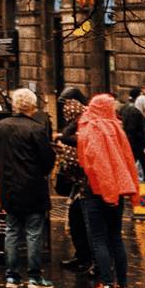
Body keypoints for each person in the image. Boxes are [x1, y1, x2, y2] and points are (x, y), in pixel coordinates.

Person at [0, 88, 56, 288]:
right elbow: (48, 159)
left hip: (9, 186)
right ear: (32, 106)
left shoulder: (1, 127)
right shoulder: (37, 129)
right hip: (33, 186)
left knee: (11, 230)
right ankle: (34, 277)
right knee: (33, 232)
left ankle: (11, 276)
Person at [78, 92, 139, 288]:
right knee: (115, 236)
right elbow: (127, 159)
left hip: (96, 190)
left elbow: (92, 160)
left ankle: (105, 284)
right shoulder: (117, 128)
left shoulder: (91, 128)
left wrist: (103, 188)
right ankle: (122, 285)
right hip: (117, 190)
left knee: (99, 238)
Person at [55, 88, 93, 273]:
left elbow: (69, 140)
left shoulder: (85, 124)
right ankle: (82, 256)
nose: (66, 111)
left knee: (84, 221)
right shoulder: (80, 122)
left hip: (86, 182)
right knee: (76, 220)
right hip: (78, 182)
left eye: (69, 106)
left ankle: (88, 259)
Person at [119, 91, 145, 183]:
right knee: (143, 164)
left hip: (128, 141)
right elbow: (134, 129)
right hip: (135, 143)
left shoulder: (124, 107)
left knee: (133, 163)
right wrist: (144, 142)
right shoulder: (136, 112)